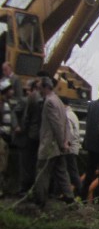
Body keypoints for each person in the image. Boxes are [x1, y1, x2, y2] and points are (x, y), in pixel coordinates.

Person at [32, 77, 73, 208]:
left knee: (42, 171)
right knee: (61, 171)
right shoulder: (59, 101)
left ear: (46, 87)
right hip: (59, 145)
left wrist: (62, 143)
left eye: (39, 88)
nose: (38, 91)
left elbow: (56, 125)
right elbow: (65, 123)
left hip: (50, 145)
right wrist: (66, 141)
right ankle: (70, 198)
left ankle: (40, 200)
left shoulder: (49, 102)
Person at [81, 82, 99, 201]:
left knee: (89, 172)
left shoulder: (91, 105)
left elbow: (89, 123)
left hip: (90, 143)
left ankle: (82, 195)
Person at [18, 78, 42, 197]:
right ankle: (33, 189)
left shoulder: (30, 99)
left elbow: (26, 118)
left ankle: (24, 189)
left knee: (26, 163)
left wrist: (22, 129)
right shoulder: (45, 99)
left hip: (29, 136)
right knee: (34, 164)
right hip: (40, 136)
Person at [64, 102, 82, 198]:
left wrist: (67, 142)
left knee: (72, 171)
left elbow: (69, 132)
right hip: (75, 147)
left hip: (70, 148)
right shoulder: (73, 114)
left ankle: (80, 191)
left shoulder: (67, 115)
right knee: (72, 170)